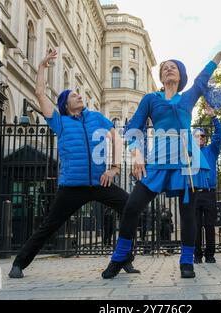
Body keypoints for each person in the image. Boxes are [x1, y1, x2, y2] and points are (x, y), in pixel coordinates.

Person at [101, 46, 221, 279]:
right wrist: (137, 154)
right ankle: (119, 257)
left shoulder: (188, 97)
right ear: (161, 77)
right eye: (164, 68)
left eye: (173, 67)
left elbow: (202, 80)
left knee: (188, 213)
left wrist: (216, 58)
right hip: (157, 159)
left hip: (187, 160)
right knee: (132, 207)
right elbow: (134, 128)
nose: (168, 69)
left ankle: (187, 261)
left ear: (180, 75)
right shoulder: (150, 99)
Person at [8, 50, 139, 278]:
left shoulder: (97, 117)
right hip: (71, 186)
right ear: (65, 104)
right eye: (74, 95)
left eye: (79, 94)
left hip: (100, 182)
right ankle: (19, 264)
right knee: (49, 225)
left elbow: (117, 139)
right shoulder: (60, 122)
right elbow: (39, 92)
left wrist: (114, 168)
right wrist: (42, 66)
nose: (79, 96)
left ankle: (125, 257)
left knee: (130, 208)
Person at [192, 104, 221, 264]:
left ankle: (210, 255)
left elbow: (219, 135)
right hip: (194, 193)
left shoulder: (211, 150)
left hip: (209, 192)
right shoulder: (188, 153)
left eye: (203, 136)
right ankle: (196, 255)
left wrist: (213, 117)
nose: (201, 138)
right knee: (196, 226)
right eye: (197, 136)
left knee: (210, 226)